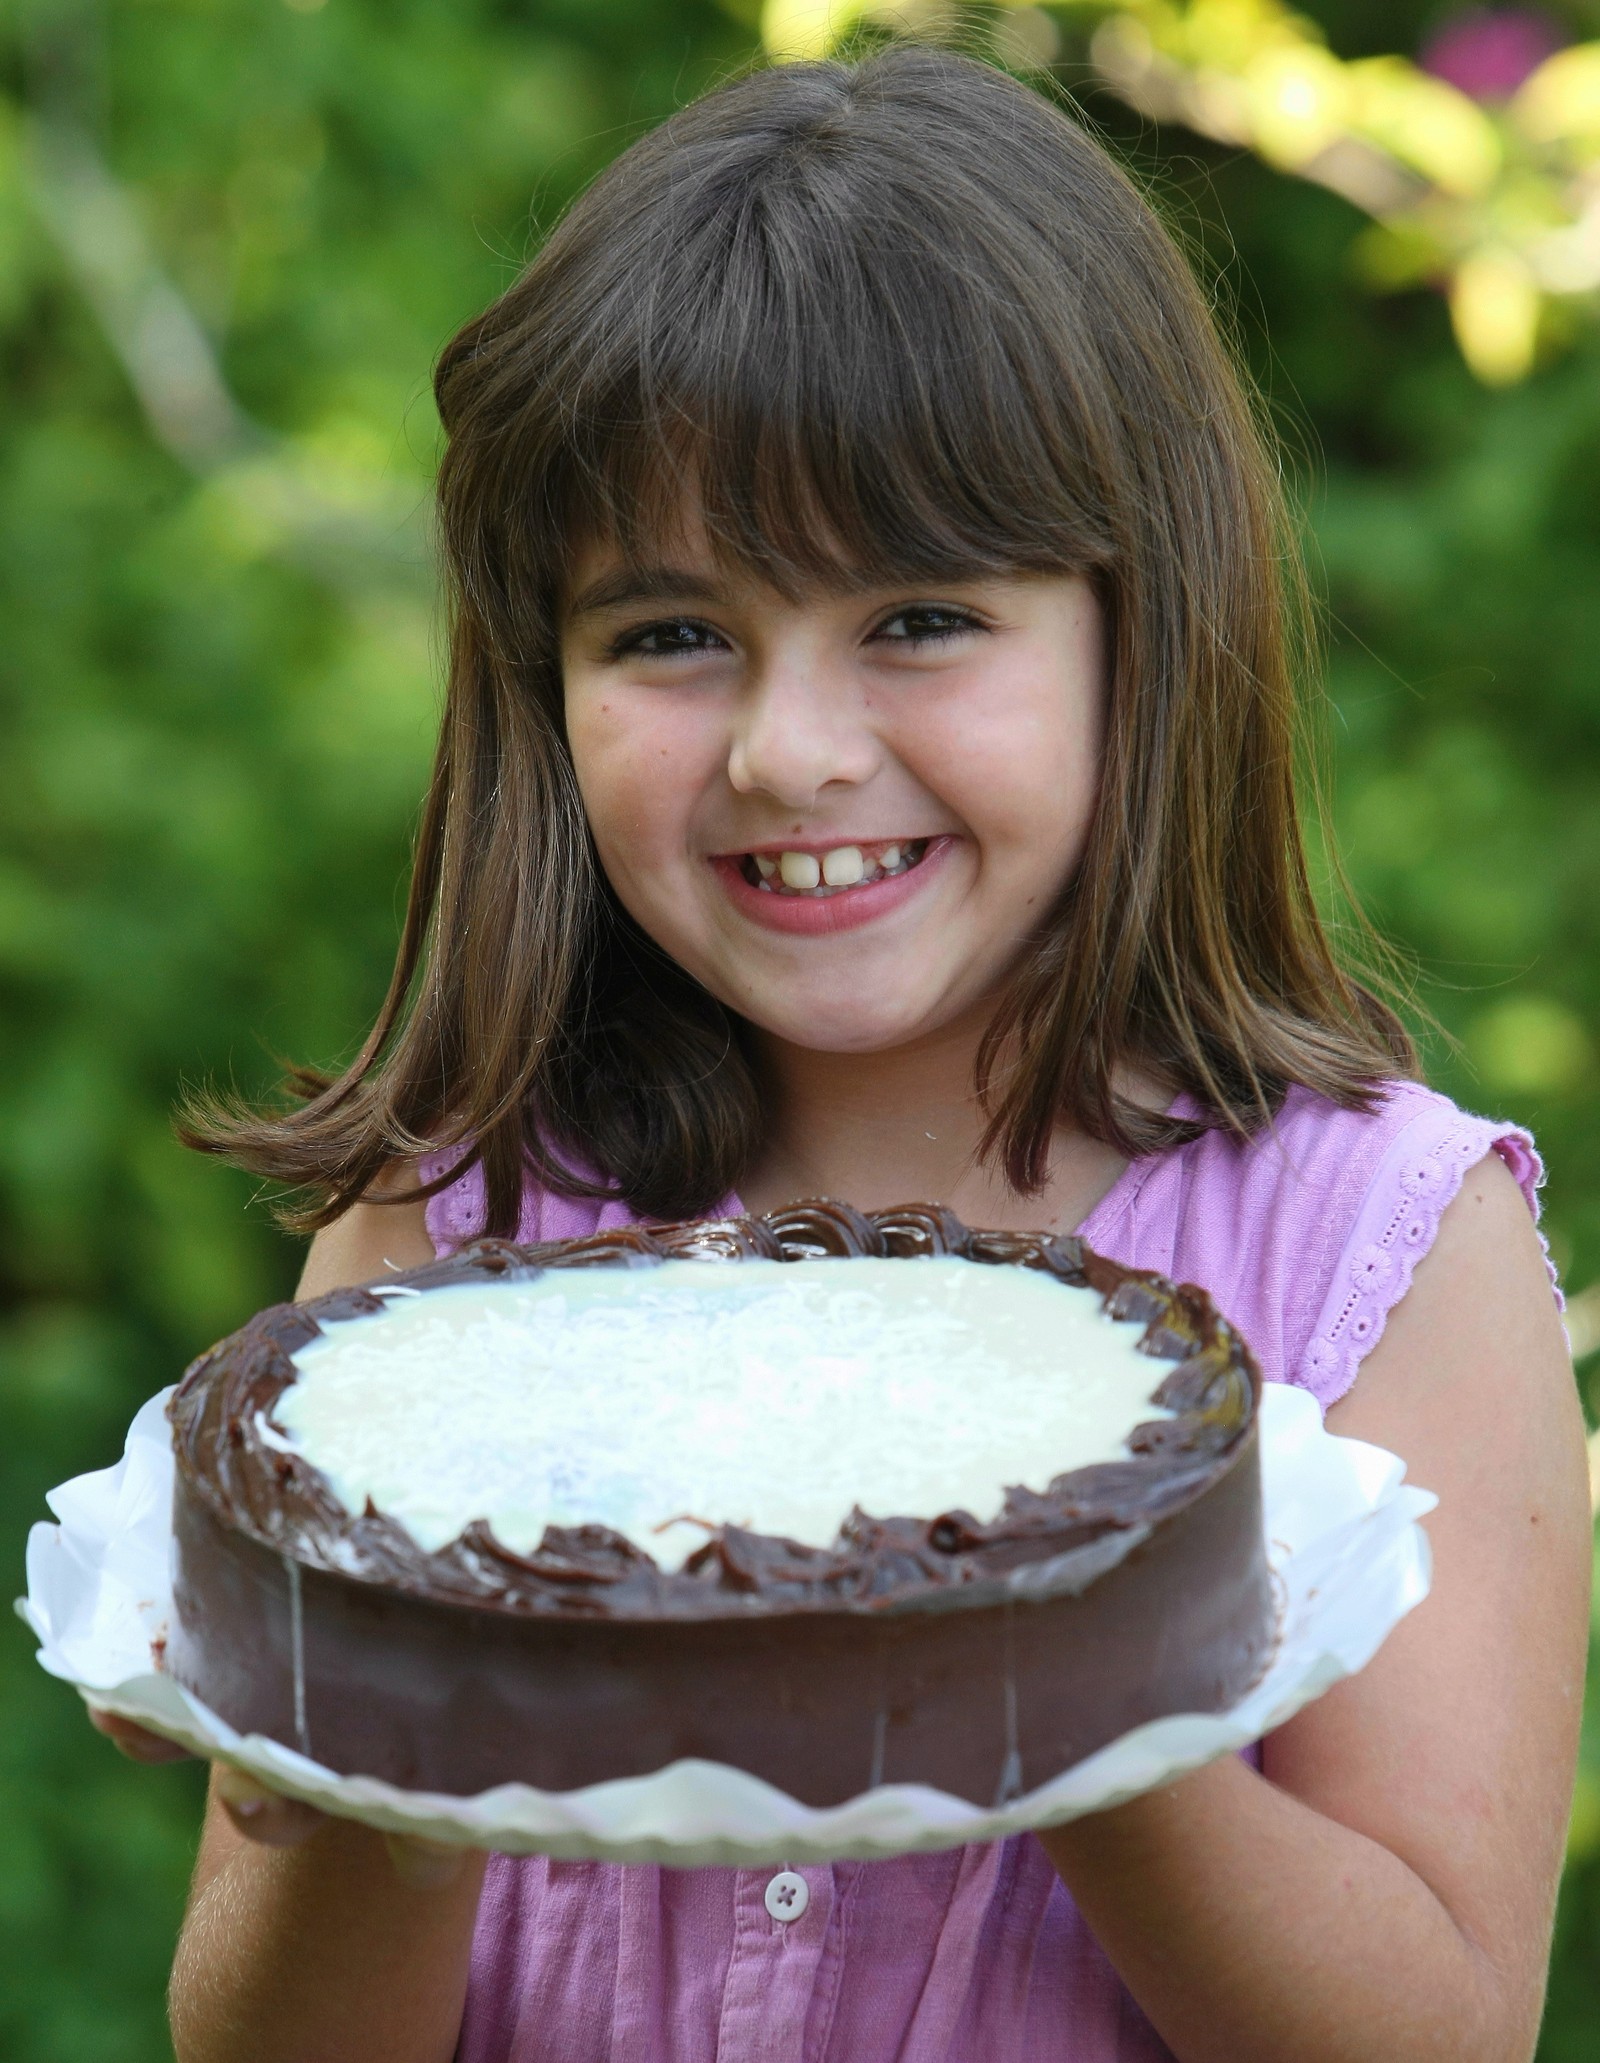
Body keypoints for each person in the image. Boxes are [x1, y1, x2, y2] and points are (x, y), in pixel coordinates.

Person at [92, 45, 1589, 2063]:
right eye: (668, 635)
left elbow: (1433, 2036)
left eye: (916, 618)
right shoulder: (446, 1243)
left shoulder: (1382, 1251)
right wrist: (358, 1738)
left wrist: (1059, 1657)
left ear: (1135, 631)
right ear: (540, 681)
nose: (788, 747)